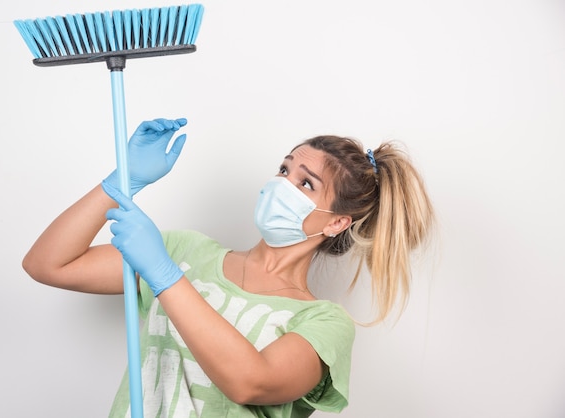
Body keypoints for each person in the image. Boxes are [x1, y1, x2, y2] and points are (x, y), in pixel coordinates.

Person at [22, 117, 435, 417]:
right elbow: (47, 264)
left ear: (336, 221)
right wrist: (119, 184)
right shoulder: (185, 250)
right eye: (284, 169)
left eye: (306, 184)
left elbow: (250, 381)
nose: (281, 184)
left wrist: (165, 275)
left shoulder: (322, 323)